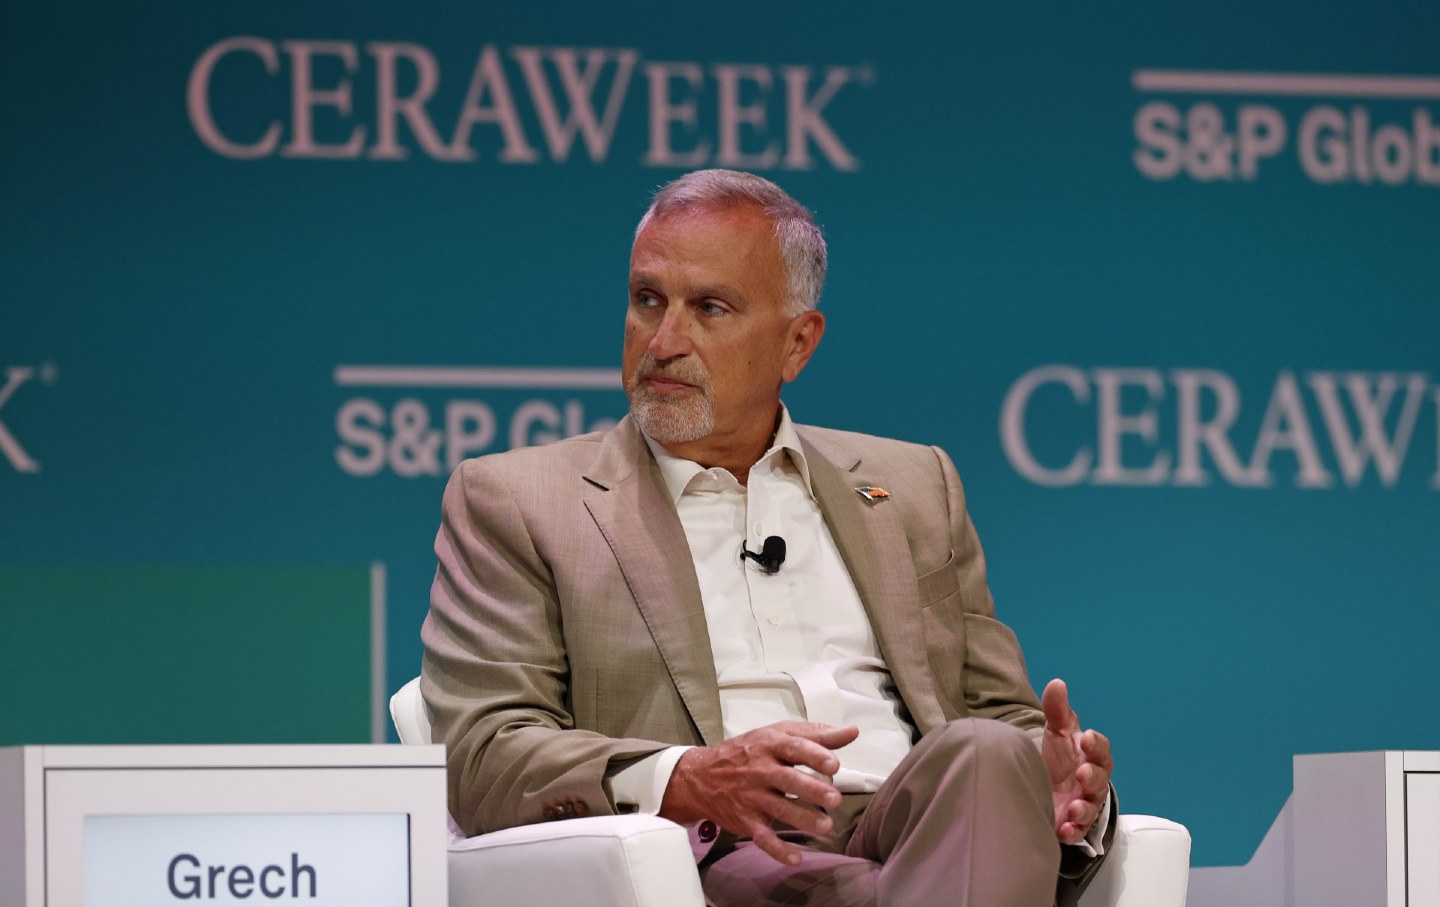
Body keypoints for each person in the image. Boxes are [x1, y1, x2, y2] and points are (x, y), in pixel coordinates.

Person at [421, 169, 1114, 907]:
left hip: (924, 823)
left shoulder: (914, 487)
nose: (663, 341)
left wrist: (1061, 778)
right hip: (722, 849)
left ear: (797, 344)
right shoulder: (522, 501)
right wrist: (689, 776)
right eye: (647, 300)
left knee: (985, 752)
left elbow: (1001, 718)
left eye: (710, 308)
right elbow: (484, 753)